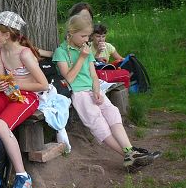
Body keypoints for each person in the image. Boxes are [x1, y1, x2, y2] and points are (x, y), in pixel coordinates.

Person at [53, 15, 160, 171]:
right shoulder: (61, 52)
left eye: (87, 36)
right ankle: (128, 156)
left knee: (112, 113)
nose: (86, 40)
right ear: (71, 33)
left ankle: (130, 151)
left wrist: (97, 90)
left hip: (93, 89)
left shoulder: (85, 49)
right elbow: (68, 79)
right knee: (97, 122)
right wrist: (82, 58)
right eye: (83, 36)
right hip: (78, 93)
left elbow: (94, 75)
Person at [0, 11, 49, 188]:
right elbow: (1, 80)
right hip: (8, 93)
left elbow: (43, 85)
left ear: (7, 35)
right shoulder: (0, 51)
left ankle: (23, 175)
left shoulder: (24, 54)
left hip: (27, 96)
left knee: (1, 124)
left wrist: (16, 84)